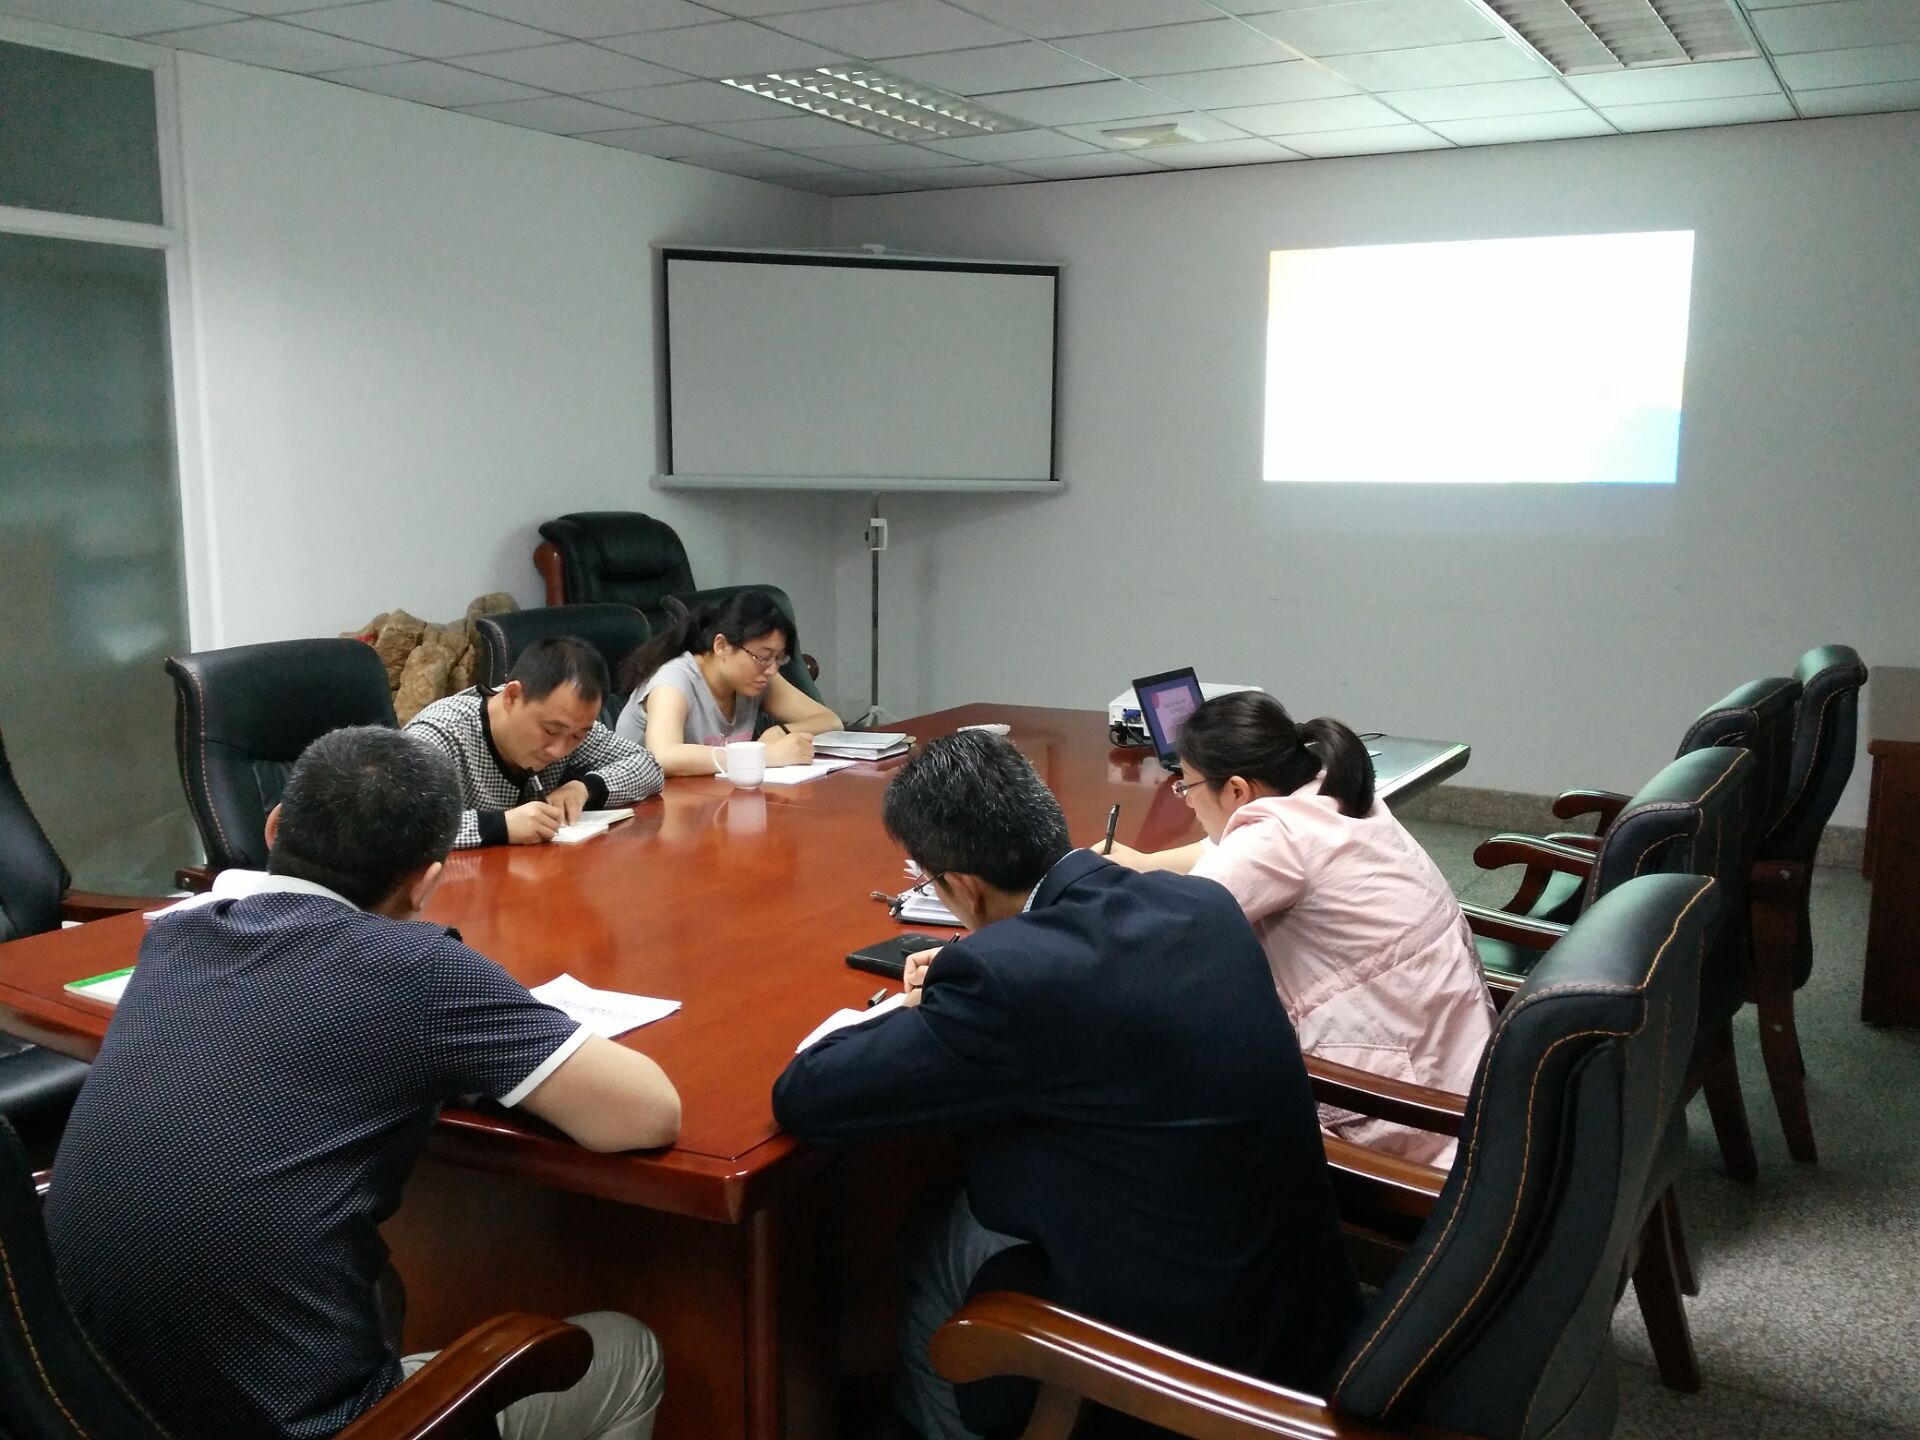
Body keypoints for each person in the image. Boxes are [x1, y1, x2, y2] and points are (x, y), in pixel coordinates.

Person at [46, 726, 680, 1440]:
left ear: (275, 826)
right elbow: (646, 1114)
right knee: (627, 1353)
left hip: (88, 1403)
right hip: (297, 1426)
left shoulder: (175, 935)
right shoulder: (420, 971)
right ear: (428, 882)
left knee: (381, 1285)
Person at [772, 733, 1361, 1440]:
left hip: (1185, 1375)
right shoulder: (1200, 905)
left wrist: (925, 1005)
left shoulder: (1008, 979)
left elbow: (805, 1094)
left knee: (936, 1230)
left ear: (961, 886)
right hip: (1302, 1316)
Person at [1102, 691, 1494, 1167]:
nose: (1185, 802)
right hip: (1468, 1069)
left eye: (1186, 786)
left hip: (1410, 1117)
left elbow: (1159, 936)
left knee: (1161, 1055)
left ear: (1237, 790)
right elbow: (1226, 852)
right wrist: (1144, 863)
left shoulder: (1275, 841)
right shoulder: (1329, 793)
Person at [407, 635, 664, 847]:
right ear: (512, 696)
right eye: (550, 731)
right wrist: (501, 826)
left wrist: (584, 788)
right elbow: (396, 829)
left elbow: (647, 765)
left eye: (577, 736)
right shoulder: (439, 735)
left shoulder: (569, 723)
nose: (559, 751)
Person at [613, 591, 839, 775]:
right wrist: (762, 756)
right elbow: (662, 757)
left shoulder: (759, 676)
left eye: (778, 658)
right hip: (641, 807)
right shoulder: (673, 681)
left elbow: (829, 721)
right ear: (721, 646)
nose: (772, 669)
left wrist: (780, 731)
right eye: (763, 656)